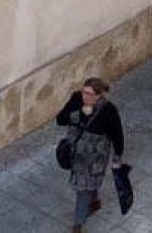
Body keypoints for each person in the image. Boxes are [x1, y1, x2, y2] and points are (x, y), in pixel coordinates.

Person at [57, 77, 125, 233]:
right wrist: (80, 113)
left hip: (95, 159)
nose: (85, 97)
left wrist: (117, 158)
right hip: (76, 154)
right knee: (87, 186)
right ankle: (94, 202)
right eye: (84, 92)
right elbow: (60, 120)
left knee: (83, 189)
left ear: (99, 95)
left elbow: (117, 135)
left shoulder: (109, 110)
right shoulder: (76, 100)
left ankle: (78, 224)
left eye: (89, 94)